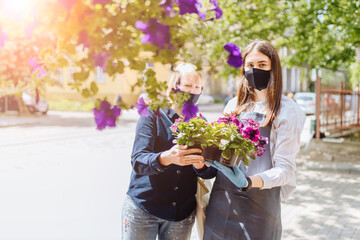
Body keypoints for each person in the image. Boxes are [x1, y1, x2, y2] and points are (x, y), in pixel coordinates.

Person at [203, 40, 306, 239]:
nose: (255, 70)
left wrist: (248, 182)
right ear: (243, 68)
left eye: (262, 65)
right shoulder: (234, 105)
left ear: (273, 68)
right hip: (223, 200)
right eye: (250, 65)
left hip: (260, 205)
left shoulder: (287, 110)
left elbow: (285, 169)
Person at [121, 62, 215, 240]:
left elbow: (211, 171)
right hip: (144, 208)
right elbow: (138, 161)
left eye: (198, 87)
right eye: (187, 86)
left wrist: (201, 166)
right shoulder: (152, 114)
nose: (193, 92)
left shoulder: (201, 122)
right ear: (174, 87)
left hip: (180, 215)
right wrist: (166, 158)